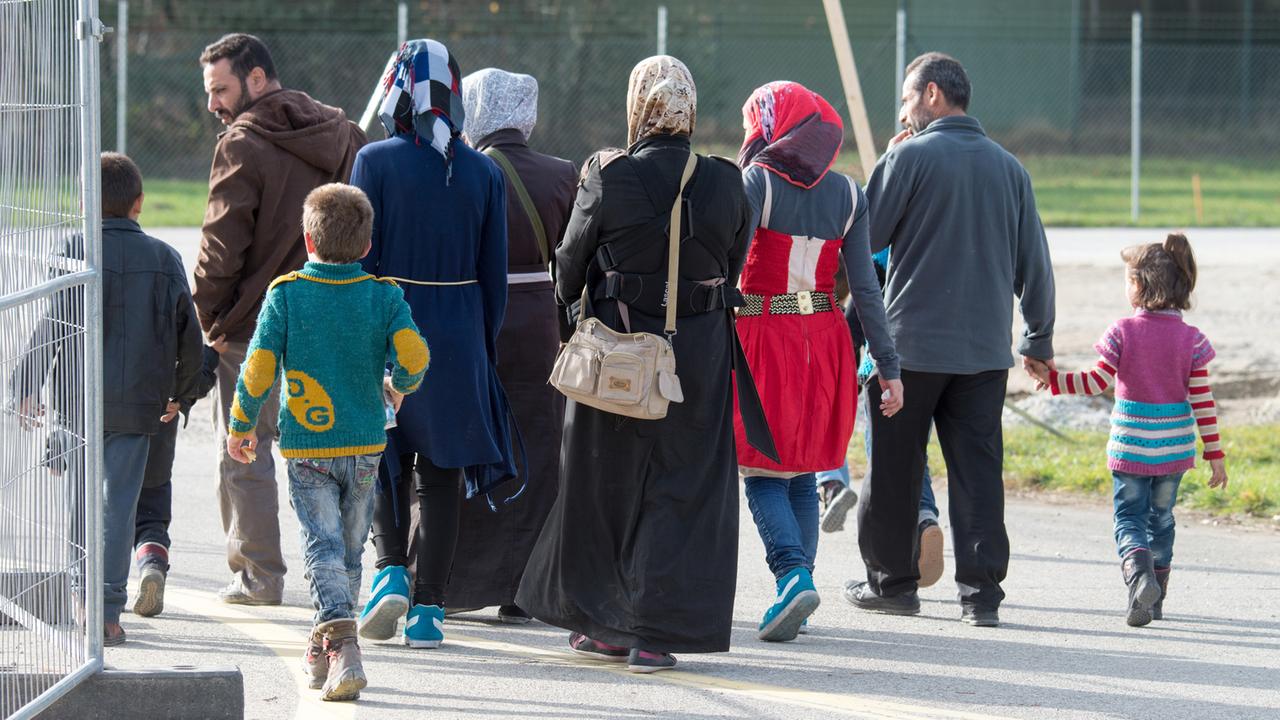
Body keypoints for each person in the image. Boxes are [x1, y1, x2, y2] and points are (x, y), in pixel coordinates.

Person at [517, 55, 773, 673]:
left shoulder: (608, 175)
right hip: (702, 353)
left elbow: (569, 267)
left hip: (619, 351)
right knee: (682, 487)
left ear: (639, 105)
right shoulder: (726, 179)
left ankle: (604, 625)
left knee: (605, 480)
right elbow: (731, 267)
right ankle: (656, 635)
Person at [848, 52, 1056, 628]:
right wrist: (1038, 338)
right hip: (985, 354)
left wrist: (890, 161)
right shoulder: (1011, 169)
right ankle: (981, 595)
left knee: (893, 470)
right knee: (978, 474)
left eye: (907, 100)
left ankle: (893, 584)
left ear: (933, 94)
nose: (905, 112)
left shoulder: (907, 158)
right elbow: (1033, 261)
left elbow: (864, 240)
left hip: (910, 351)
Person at [226, 183, 429, 701]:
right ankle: (327, 647)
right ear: (366, 246)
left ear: (307, 241)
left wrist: (241, 424)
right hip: (364, 444)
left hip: (308, 448)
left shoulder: (287, 294)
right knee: (350, 547)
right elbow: (414, 356)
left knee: (321, 544)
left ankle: (341, 645)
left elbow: (258, 369)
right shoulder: (384, 295)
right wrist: (400, 388)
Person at [351, 39, 517, 650]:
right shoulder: (483, 171)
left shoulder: (374, 161)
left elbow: (359, 260)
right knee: (442, 474)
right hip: (459, 331)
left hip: (388, 327)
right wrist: (478, 342)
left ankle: (391, 567)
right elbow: (494, 276)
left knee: (384, 456)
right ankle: (430, 610)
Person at [195, 32, 367, 605]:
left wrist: (207, 318)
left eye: (220, 88)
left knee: (244, 447)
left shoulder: (241, 144)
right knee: (345, 451)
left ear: (257, 79)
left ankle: (259, 576)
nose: (213, 103)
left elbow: (221, 248)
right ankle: (344, 579)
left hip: (255, 326)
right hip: (335, 317)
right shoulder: (344, 134)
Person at [732, 81, 901, 642]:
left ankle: (791, 577)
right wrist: (888, 366)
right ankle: (796, 589)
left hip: (765, 331)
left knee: (761, 467)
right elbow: (869, 293)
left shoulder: (757, 182)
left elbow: (730, 266)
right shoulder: (850, 194)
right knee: (802, 468)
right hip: (825, 337)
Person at [13, 153, 203, 646]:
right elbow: (191, 336)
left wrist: (26, 384)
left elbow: (52, 324)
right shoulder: (164, 257)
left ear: (84, 203)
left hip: (79, 402)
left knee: (80, 501)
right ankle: (108, 608)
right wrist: (181, 396)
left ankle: (81, 598)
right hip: (141, 406)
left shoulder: (75, 247)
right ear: (139, 203)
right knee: (119, 504)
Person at [429, 67, 576, 623]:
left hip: (477, 318)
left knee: (474, 441)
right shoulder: (564, 173)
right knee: (539, 446)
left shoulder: (461, 169)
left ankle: (459, 580)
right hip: (543, 322)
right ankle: (526, 587)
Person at [1027, 233, 1227, 627]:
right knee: (1162, 519)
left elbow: (1096, 381)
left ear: (1138, 285)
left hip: (1132, 446)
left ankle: (1139, 578)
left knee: (1129, 519)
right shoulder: (1192, 340)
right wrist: (1215, 455)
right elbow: (1203, 402)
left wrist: (1053, 380)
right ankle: (1156, 598)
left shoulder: (1123, 331)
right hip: (1172, 451)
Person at [819, 247, 945, 590]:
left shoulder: (876, 263)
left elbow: (853, 327)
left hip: (886, 373)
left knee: (886, 464)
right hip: (938, 362)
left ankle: (888, 579)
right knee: (915, 453)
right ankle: (924, 516)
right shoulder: (930, 255)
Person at [131, 345, 219, 618]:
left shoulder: (94, 301)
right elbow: (193, 348)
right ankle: (152, 564)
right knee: (150, 514)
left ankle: (104, 594)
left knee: (101, 515)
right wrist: (184, 394)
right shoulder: (167, 299)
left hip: (104, 417)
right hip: (159, 413)